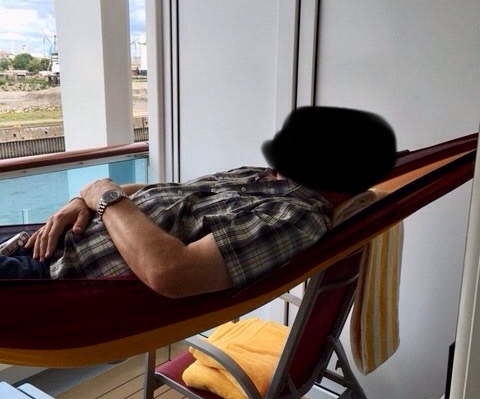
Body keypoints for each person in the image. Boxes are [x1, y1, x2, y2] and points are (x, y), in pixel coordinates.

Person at [0, 106, 396, 296]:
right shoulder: (256, 175)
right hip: (40, 241)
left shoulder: (296, 216)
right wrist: (83, 200)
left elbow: (172, 273)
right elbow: (158, 192)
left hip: (51, 283)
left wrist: (103, 194)